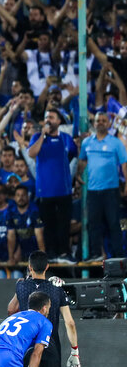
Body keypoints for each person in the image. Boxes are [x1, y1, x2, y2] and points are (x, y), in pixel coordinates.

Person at [75, 111, 127, 260]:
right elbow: (82, 160)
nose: (101, 123)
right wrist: (78, 174)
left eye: (104, 120)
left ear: (109, 124)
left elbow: (124, 165)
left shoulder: (115, 142)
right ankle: (96, 254)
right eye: (98, 120)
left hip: (111, 190)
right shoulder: (87, 142)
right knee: (93, 224)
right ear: (94, 123)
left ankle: (119, 256)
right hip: (93, 191)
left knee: (113, 223)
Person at [27, 109, 77, 263]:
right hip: (44, 190)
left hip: (63, 189)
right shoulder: (37, 137)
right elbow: (31, 153)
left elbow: (73, 155)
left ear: (59, 121)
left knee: (64, 224)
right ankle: (52, 254)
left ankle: (64, 253)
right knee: (48, 225)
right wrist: (43, 135)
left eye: (52, 117)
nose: (48, 119)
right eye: (46, 117)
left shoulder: (66, 138)